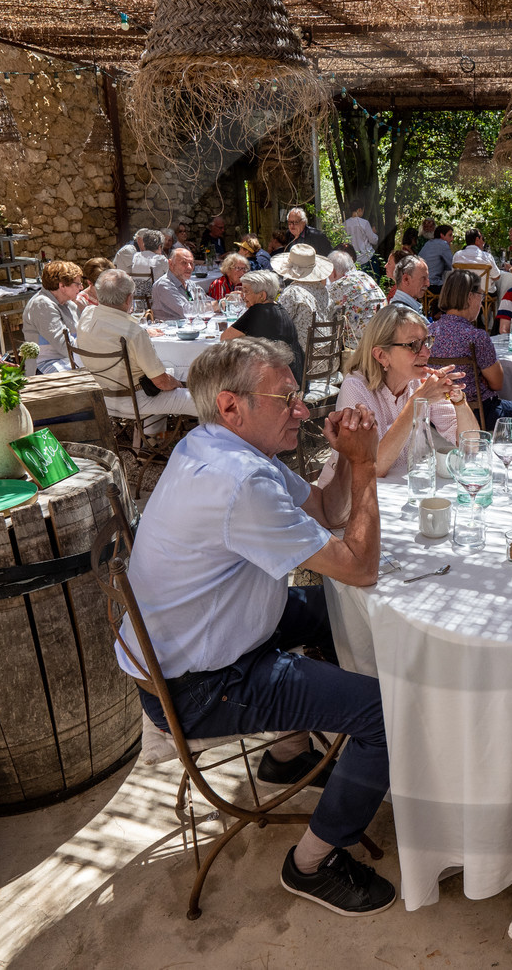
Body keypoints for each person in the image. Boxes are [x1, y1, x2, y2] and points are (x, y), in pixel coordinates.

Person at [123, 337, 397, 915]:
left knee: (337, 610)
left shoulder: (215, 444)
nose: (303, 409)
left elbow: (324, 511)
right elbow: (360, 567)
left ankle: (289, 754)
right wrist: (365, 463)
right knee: (384, 715)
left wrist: (344, 459)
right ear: (231, 406)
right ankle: (312, 863)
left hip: (199, 639)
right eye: (286, 399)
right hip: (198, 685)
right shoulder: (240, 481)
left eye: (298, 395)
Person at [323, 305, 474, 480]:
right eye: (414, 345)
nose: (426, 352)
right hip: (349, 493)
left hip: (399, 489)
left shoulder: (418, 381)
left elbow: (471, 445)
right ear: (381, 355)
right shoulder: (355, 387)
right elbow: (372, 468)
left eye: (427, 342)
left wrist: (458, 400)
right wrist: (417, 401)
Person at [431, 270, 512, 435]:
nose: (481, 302)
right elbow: (497, 383)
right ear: (470, 297)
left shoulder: (428, 332)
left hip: (437, 414)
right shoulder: (476, 336)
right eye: (481, 295)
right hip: (479, 413)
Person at [75, 269, 196, 424]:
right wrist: (179, 385)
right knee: (204, 401)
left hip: (100, 397)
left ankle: (152, 436)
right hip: (135, 401)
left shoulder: (87, 314)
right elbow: (162, 382)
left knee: (167, 371)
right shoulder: (133, 333)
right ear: (128, 299)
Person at [221, 270, 305, 384]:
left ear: (262, 295)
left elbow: (225, 338)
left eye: (246, 291)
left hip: (274, 384)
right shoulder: (280, 309)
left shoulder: (257, 311)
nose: (243, 297)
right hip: (294, 379)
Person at [23, 260, 85, 374]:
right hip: (44, 364)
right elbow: (64, 346)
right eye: (77, 284)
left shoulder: (68, 304)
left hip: (68, 360)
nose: (81, 287)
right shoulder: (42, 304)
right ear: (62, 286)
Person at [277, 244, 334, 352]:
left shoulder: (292, 292)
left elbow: (279, 324)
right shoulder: (324, 290)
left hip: (301, 357)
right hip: (327, 355)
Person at [327, 250, 385, 354]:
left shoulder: (338, 286)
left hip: (360, 346)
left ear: (333, 272)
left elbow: (325, 315)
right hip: (383, 336)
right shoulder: (364, 276)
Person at [151, 246, 199, 321]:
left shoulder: (189, 283)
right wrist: (212, 306)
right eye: (184, 263)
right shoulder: (164, 285)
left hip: (191, 325)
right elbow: (187, 312)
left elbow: (206, 300)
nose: (189, 267)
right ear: (171, 264)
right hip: (171, 327)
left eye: (191, 263)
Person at [419, 224, 455, 290]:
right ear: (442, 235)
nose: (452, 239)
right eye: (450, 235)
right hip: (432, 285)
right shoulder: (443, 244)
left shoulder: (428, 243)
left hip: (420, 284)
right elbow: (452, 265)